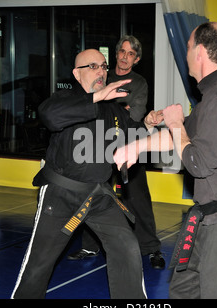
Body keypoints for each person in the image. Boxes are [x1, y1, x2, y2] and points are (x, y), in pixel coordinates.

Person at [114, 22, 217, 299]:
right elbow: (182, 135)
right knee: (183, 289)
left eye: (187, 47)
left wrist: (175, 124)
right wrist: (136, 147)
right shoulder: (215, 96)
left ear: (198, 51)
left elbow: (197, 163)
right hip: (210, 218)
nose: (186, 53)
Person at [11, 49, 162, 299]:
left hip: (98, 196)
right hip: (60, 196)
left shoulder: (113, 108)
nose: (101, 71)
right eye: (93, 66)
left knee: (126, 246)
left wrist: (147, 123)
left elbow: (131, 134)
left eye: (103, 66)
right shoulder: (65, 98)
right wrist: (96, 97)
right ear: (76, 73)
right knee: (40, 262)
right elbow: (48, 116)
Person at [67, 35, 165, 269]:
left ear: (137, 59)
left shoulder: (139, 82)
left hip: (130, 143)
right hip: (99, 143)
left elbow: (133, 115)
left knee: (137, 197)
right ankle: (91, 245)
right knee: (94, 194)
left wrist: (111, 106)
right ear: (116, 54)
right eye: (122, 51)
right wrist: (115, 106)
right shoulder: (104, 76)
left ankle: (151, 248)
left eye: (130, 53)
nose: (124, 57)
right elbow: (88, 103)